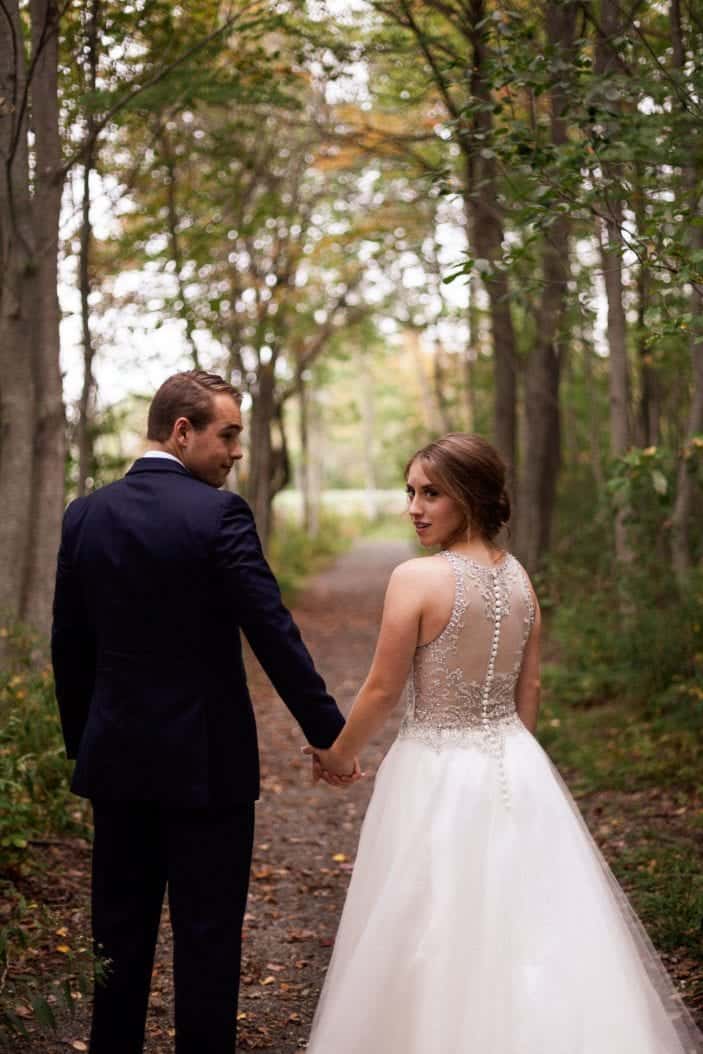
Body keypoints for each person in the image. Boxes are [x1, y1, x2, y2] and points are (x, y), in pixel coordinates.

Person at [305, 432, 703, 1053]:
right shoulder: (519, 578)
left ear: (470, 496)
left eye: (431, 493)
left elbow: (383, 691)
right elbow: (530, 685)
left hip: (434, 767)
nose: (415, 506)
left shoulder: (415, 578)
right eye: (410, 491)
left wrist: (338, 754)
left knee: (432, 919)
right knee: (525, 920)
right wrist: (516, 764)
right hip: (515, 764)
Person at [51, 369, 358, 1054]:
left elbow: (68, 647)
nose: (237, 451)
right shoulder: (219, 515)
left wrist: (86, 744)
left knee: (117, 940)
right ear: (182, 431)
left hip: (117, 766)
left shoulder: (85, 514)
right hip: (207, 768)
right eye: (228, 435)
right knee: (208, 939)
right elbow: (272, 633)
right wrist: (329, 736)